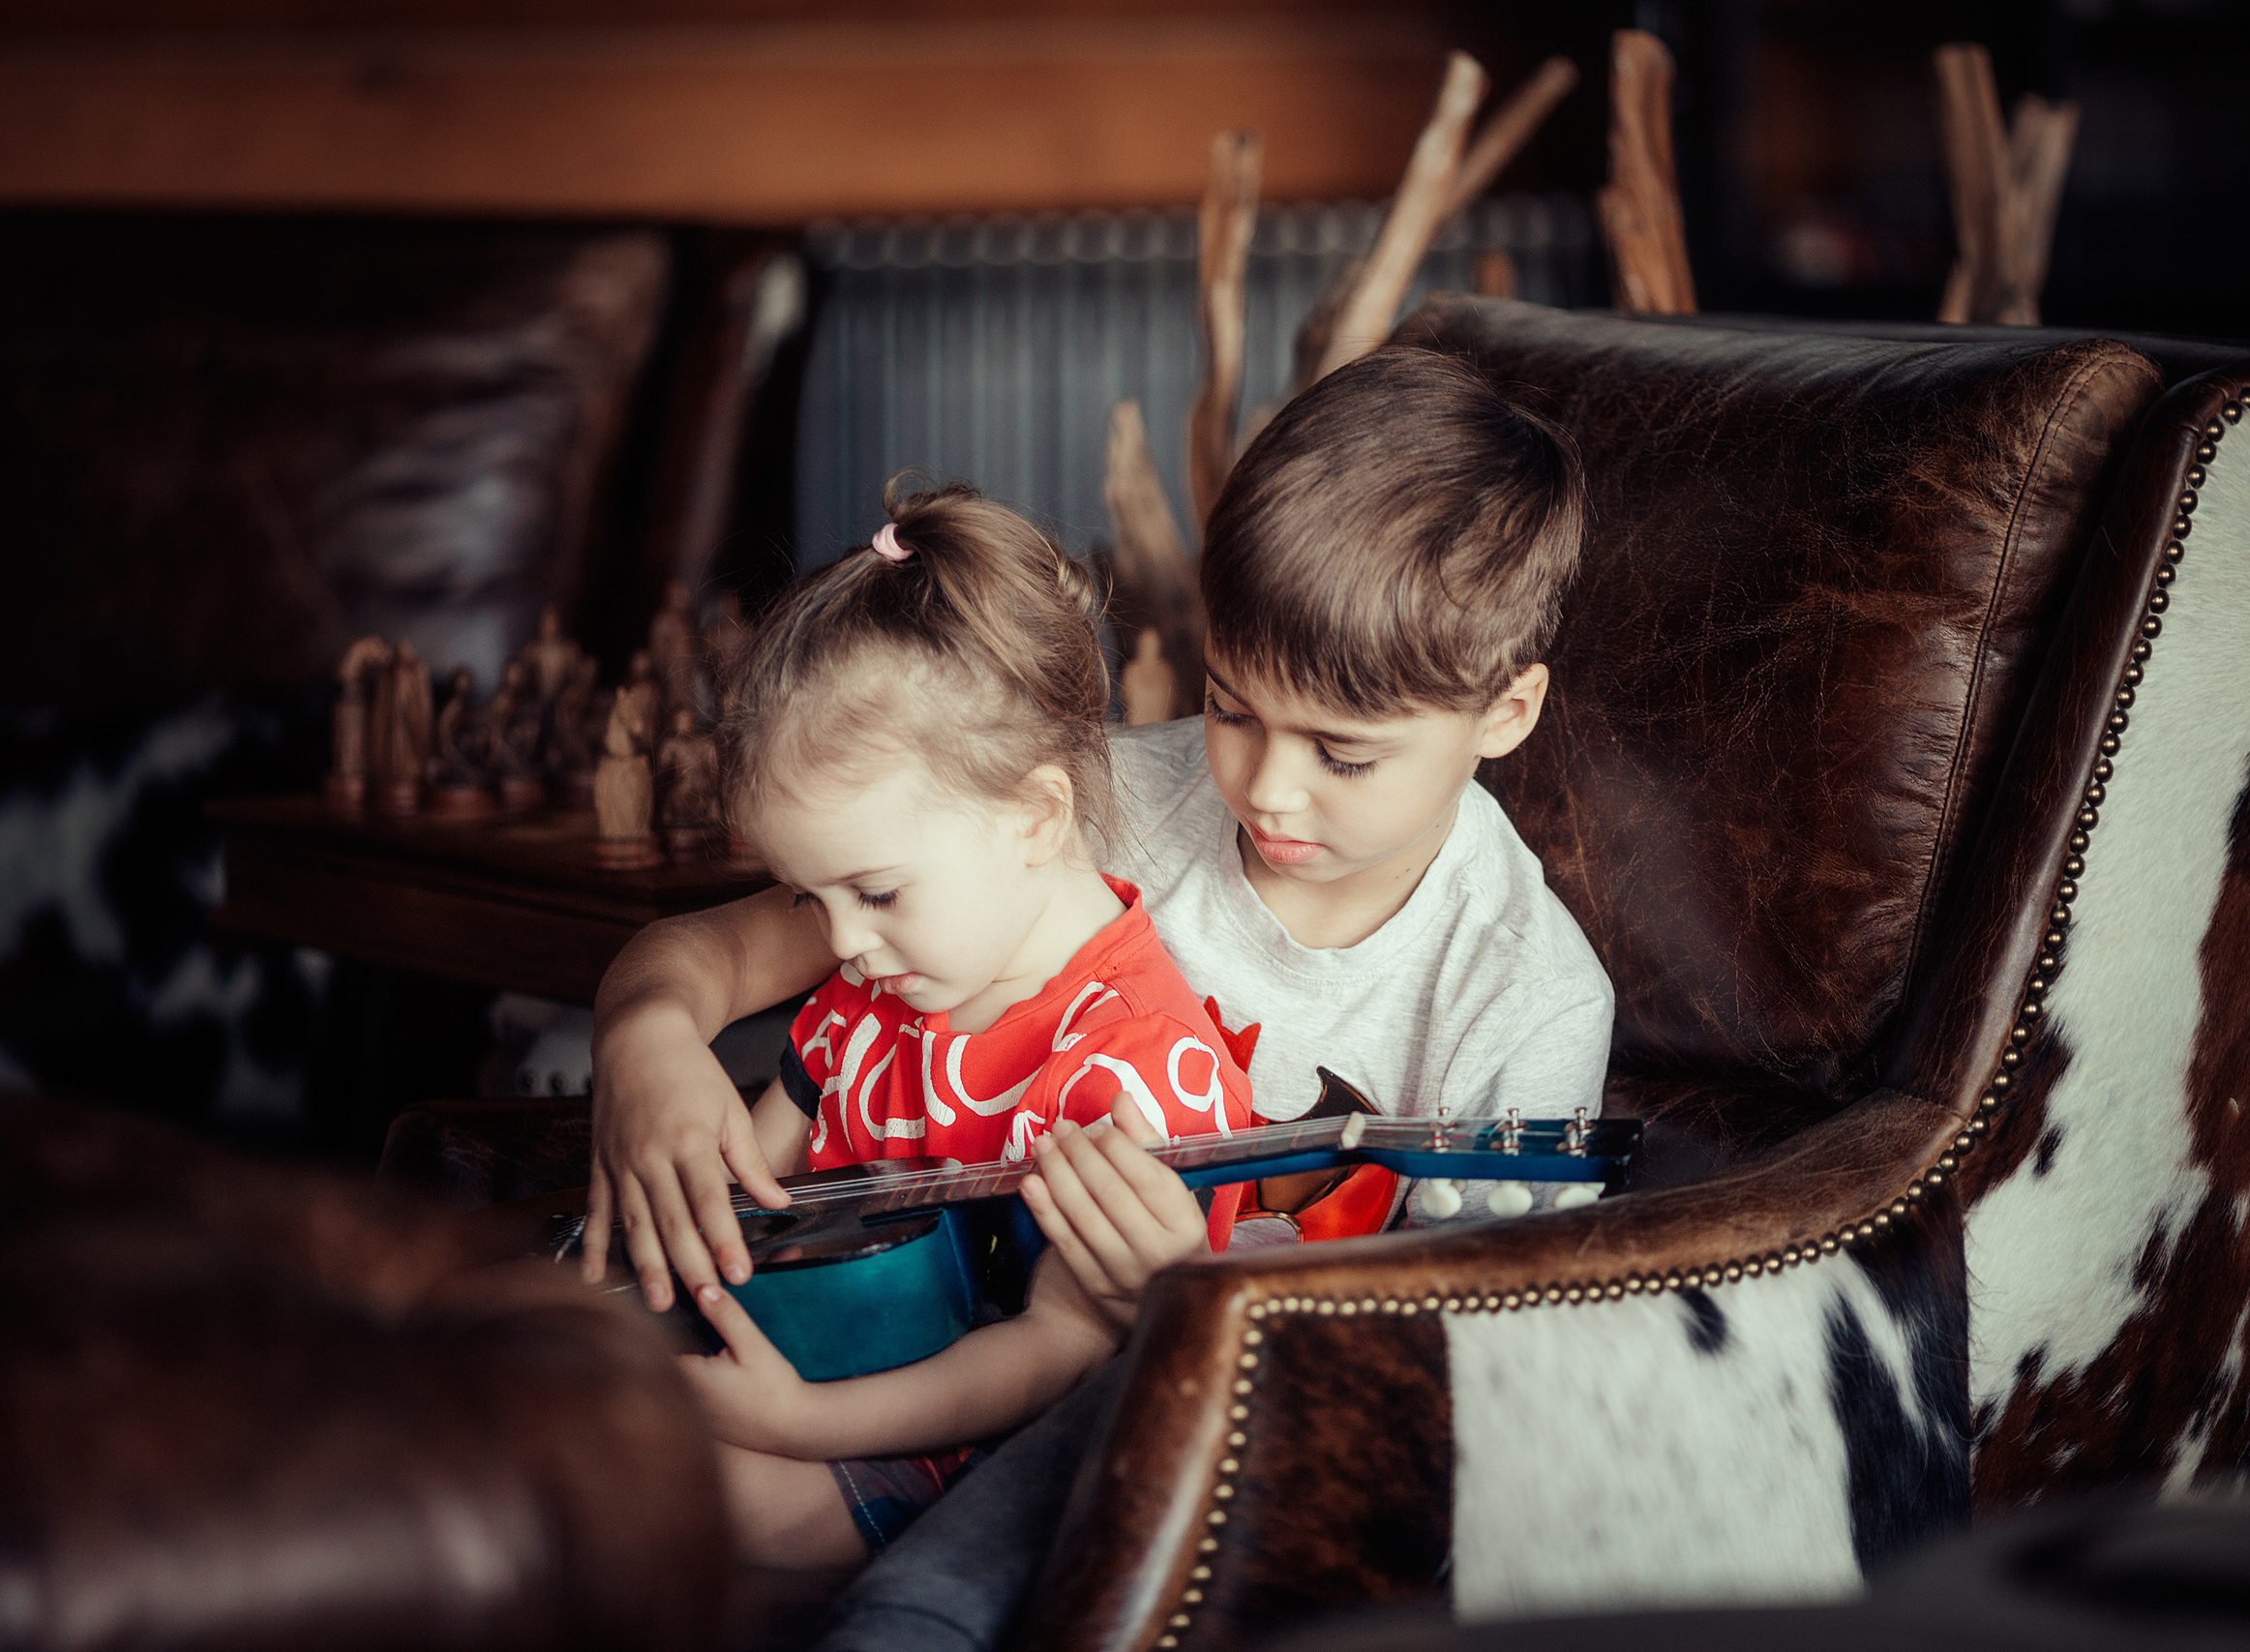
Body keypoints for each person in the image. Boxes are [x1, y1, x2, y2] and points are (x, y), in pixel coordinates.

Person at [588, 346, 1613, 1641]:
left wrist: (1174, 1303)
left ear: (1506, 708)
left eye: (1344, 752)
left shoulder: (1528, 996)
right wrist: (645, 1034)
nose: (1268, 787)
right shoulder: (1103, 801)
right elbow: (727, 948)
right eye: (1232, 705)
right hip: (945, 1337)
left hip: (1223, 1420)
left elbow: (1475, 1364)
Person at [593, 481, 1256, 1569]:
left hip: (973, 1445)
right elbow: (745, 1219)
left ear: (1037, 817)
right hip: (807, 1372)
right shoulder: (878, 991)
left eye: (877, 893)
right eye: (812, 901)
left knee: (644, 1502)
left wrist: (799, 1426)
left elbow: (1054, 1350)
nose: (843, 943)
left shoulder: (1132, 1070)